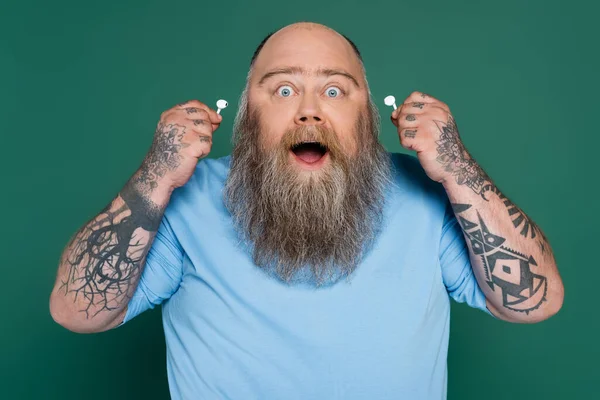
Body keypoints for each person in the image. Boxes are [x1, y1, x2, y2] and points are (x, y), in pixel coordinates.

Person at [49, 21, 564, 400]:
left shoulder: (427, 193)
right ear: (247, 113)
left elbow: (531, 303)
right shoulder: (186, 197)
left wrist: (456, 166)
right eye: (284, 89)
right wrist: (156, 174)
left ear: (369, 116)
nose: (309, 109)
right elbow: (77, 312)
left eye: (335, 90)